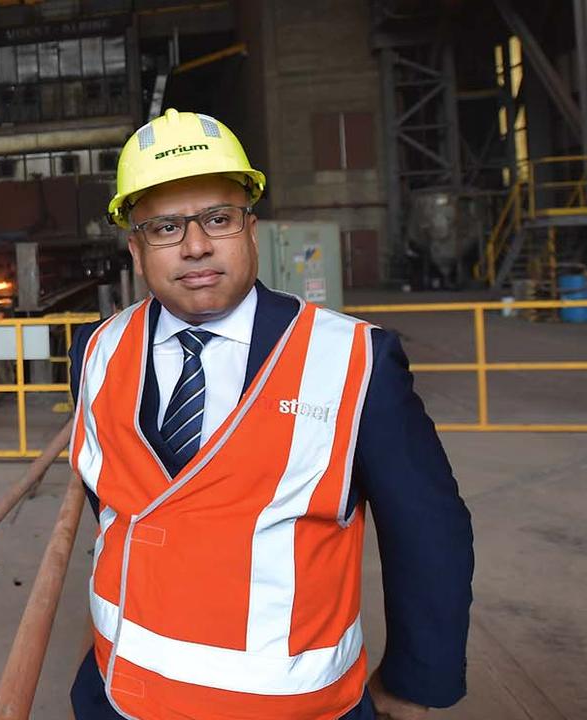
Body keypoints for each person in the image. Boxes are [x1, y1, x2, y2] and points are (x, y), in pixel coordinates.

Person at [67, 109, 474, 720]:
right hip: (118, 693)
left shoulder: (353, 360)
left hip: (291, 708)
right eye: (166, 227)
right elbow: (119, 500)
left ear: (250, 228)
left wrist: (418, 681)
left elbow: (426, 528)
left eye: (218, 218)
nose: (196, 245)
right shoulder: (96, 351)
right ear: (136, 247)